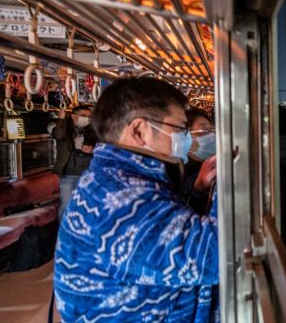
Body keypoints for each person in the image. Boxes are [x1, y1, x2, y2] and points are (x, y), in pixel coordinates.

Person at [54, 76, 219, 322]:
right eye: (180, 129)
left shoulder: (118, 179)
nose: (186, 138)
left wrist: (197, 191)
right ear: (140, 130)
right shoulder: (120, 201)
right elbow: (217, 254)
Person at [48, 105, 96, 220]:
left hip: (88, 175)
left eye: (89, 116)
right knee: (66, 205)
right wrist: (61, 118)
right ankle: (63, 234)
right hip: (68, 175)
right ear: (74, 116)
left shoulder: (92, 130)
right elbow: (58, 135)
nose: (87, 119)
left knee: (87, 206)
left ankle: (82, 233)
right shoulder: (64, 128)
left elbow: (102, 145)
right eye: (83, 116)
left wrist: (93, 149)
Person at [184, 107, 217, 215]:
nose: (212, 135)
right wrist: (198, 187)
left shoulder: (215, 163)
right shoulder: (179, 171)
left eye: (212, 129)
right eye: (204, 130)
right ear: (185, 137)